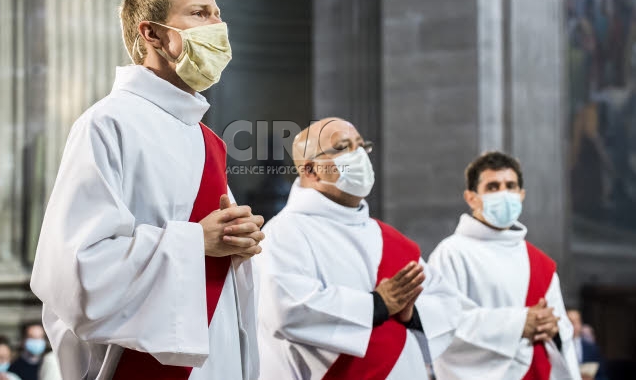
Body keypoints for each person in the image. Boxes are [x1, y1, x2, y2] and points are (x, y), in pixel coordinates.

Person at [30, 0, 264, 380]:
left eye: (218, 14)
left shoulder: (208, 140)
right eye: (199, 13)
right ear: (152, 35)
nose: (217, 27)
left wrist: (237, 247)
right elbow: (75, 272)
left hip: (216, 352)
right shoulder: (108, 123)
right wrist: (195, 242)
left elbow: (213, 252)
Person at [255, 118, 517, 379]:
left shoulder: (388, 238)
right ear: (311, 170)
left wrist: (412, 313)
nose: (359, 156)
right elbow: (286, 309)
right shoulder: (285, 233)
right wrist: (377, 304)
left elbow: (448, 304)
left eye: (361, 146)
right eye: (344, 147)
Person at [428, 152, 581, 379]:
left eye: (510, 186)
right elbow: (442, 325)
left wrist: (553, 330)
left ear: (521, 195)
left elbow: (561, 332)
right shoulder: (451, 253)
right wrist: (518, 324)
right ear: (471, 198)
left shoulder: (539, 262)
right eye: (492, 187)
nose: (504, 193)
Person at [567, 309, 609, 380]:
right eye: (571, 322)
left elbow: (603, 376)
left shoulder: (592, 349)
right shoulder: (557, 348)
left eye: (577, 321)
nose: (574, 325)